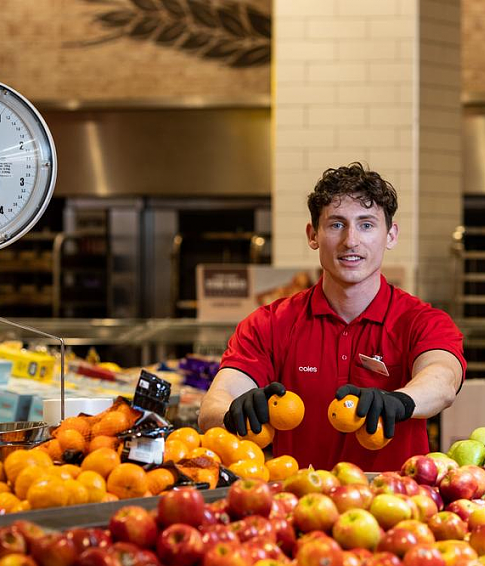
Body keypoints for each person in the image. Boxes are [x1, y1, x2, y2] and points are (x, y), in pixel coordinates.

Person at [198, 163, 465, 471]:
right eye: (337, 225)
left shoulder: (422, 321)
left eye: (366, 225)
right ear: (313, 235)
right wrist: (234, 411)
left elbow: (443, 381)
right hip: (299, 505)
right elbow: (211, 408)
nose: (351, 241)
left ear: (390, 235)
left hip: (400, 506)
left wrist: (400, 402)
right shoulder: (270, 323)